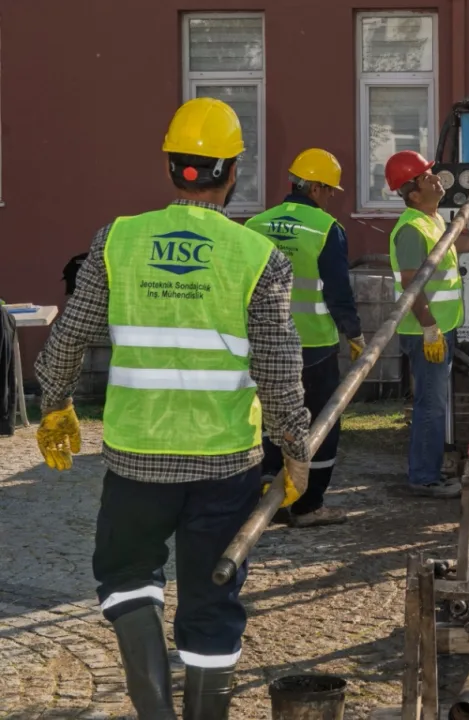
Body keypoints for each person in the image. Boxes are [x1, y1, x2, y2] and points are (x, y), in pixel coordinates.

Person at [33, 97, 311, 720]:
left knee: (127, 576)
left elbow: (70, 337)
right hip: (225, 466)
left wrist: (54, 403)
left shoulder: (118, 240)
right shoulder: (258, 257)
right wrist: (296, 450)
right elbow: (277, 368)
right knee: (212, 605)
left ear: (170, 166)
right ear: (232, 170)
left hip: (137, 460)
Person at [384, 150, 469, 497]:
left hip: (440, 329)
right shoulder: (411, 230)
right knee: (431, 405)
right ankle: (424, 478)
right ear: (413, 192)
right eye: (427, 176)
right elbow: (413, 285)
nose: (436, 177)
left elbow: (456, 245)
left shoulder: (434, 220)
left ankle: (427, 469)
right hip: (426, 332)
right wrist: (429, 327)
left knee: (436, 402)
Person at [247, 148, 363, 528]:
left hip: (261, 345)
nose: (330, 198)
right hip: (312, 347)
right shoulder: (326, 229)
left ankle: (270, 499)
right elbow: (336, 291)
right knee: (320, 424)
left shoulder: (254, 225)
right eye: (329, 190)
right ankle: (308, 505)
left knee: (267, 420)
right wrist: (354, 333)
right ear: (314, 187)